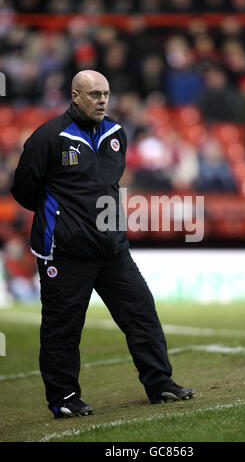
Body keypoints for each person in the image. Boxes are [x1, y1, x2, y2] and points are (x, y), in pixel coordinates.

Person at [10, 70, 195, 418]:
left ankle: (160, 384)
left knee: (141, 313)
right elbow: (23, 191)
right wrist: (65, 221)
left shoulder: (116, 133)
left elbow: (109, 185)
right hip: (64, 254)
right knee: (62, 328)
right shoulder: (48, 138)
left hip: (112, 248)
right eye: (94, 94)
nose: (102, 100)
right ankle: (63, 398)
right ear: (75, 96)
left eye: (106, 94)